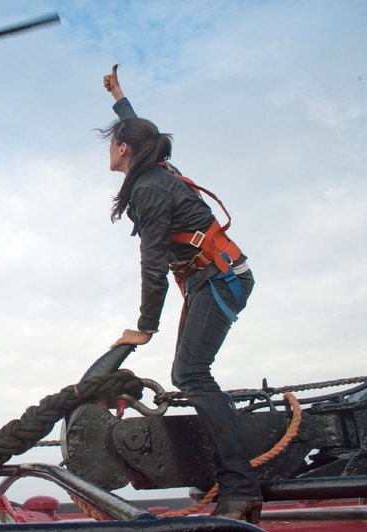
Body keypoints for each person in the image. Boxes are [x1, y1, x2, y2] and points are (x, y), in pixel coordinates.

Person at [102, 64, 262, 523]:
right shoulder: (153, 167)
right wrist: (119, 97)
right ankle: (230, 479)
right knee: (188, 372)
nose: (108, 151)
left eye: (114, 142)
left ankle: (240, 486)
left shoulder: (149, 190)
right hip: (206, 278)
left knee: (191, 373)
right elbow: (140, 129)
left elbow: (152, 265)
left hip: (221, 278)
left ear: (125, 148)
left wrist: (144, 328)